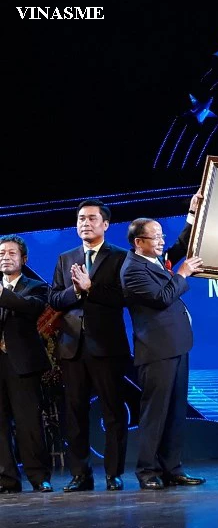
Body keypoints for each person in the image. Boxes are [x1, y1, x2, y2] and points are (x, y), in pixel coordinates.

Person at [120, 191, 208, 489]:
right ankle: (147, 472)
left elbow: (180, 246)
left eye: (160, 235)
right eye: (155, 237)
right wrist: (183, 273)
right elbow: (161, 297)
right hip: (156, 352)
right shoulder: (132, 269)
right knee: (155, 415)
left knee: (174, 413)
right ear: (138, 242)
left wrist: (193, 214)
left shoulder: (155, 260)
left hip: (177, 346)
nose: (161, 241)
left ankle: (173, 468)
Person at [49, 199, 130, 492]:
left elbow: (123, 297)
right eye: (81, 218)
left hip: (107, 346)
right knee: (75, 414)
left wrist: (91, 288)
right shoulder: (65, 258)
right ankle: (80, 474)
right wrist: (75, 290)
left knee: (113, 412)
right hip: (72, 348)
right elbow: (55, 300)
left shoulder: (121, 257)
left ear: (105, 224)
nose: (85, 223)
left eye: (92, 218)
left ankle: (113, 473)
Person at [0, 235, 53, 493]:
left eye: (11, 253)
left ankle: (38, 477)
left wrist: (2, 294)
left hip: (22, 363)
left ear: (23, 259)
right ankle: (7, 478)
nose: (5, 257)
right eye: (1, 253)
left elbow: (31, 308)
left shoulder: (35, 286)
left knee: (28, 422)